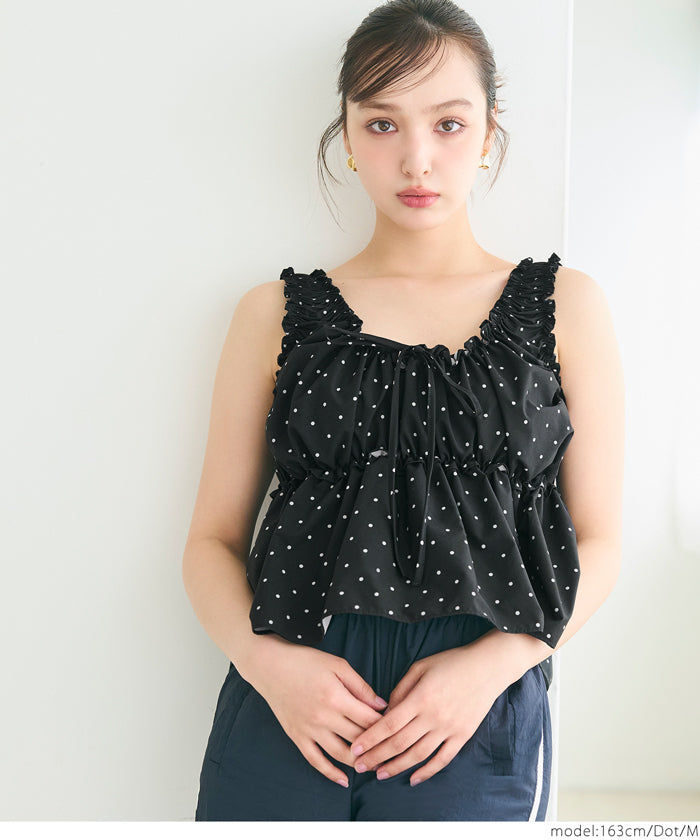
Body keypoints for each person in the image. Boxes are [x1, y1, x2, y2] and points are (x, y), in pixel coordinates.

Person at [182, 0, 625, 822]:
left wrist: (496, 667)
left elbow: (598, 540)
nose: (417, 159)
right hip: (291, 701)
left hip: (470, 714)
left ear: (488, 132)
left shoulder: (565, 306)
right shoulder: (273, 314)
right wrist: (269, 666)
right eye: (382, 124)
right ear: (348, 137)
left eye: (448, 124)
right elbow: (210, 541)